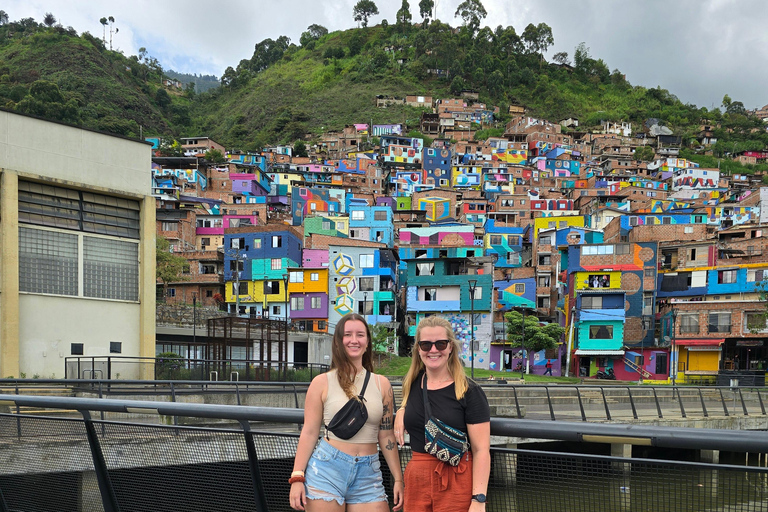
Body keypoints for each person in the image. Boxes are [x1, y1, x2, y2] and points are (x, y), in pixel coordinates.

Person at [289, 313, 403, 511]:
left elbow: (386, 434)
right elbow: (309, 432)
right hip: (327, 469)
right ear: (339, 342)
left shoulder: (382, 384)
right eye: (348, 334)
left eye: (360, 335)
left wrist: (399, 478)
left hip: (369, 473)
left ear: (367, 341)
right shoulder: (321, 382)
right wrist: (297, 476)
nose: (354, 340)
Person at [394, 316, 491, 512]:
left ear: (450, 347)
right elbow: (412, 407)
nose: (433, 350)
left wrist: (479, 499)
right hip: (417, 480)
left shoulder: (468, 390)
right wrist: (401, 411)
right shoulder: (412, 384)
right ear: (418, 349)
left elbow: (481, 450)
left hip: (455, 478)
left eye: (440, 343)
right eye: (426, 344)